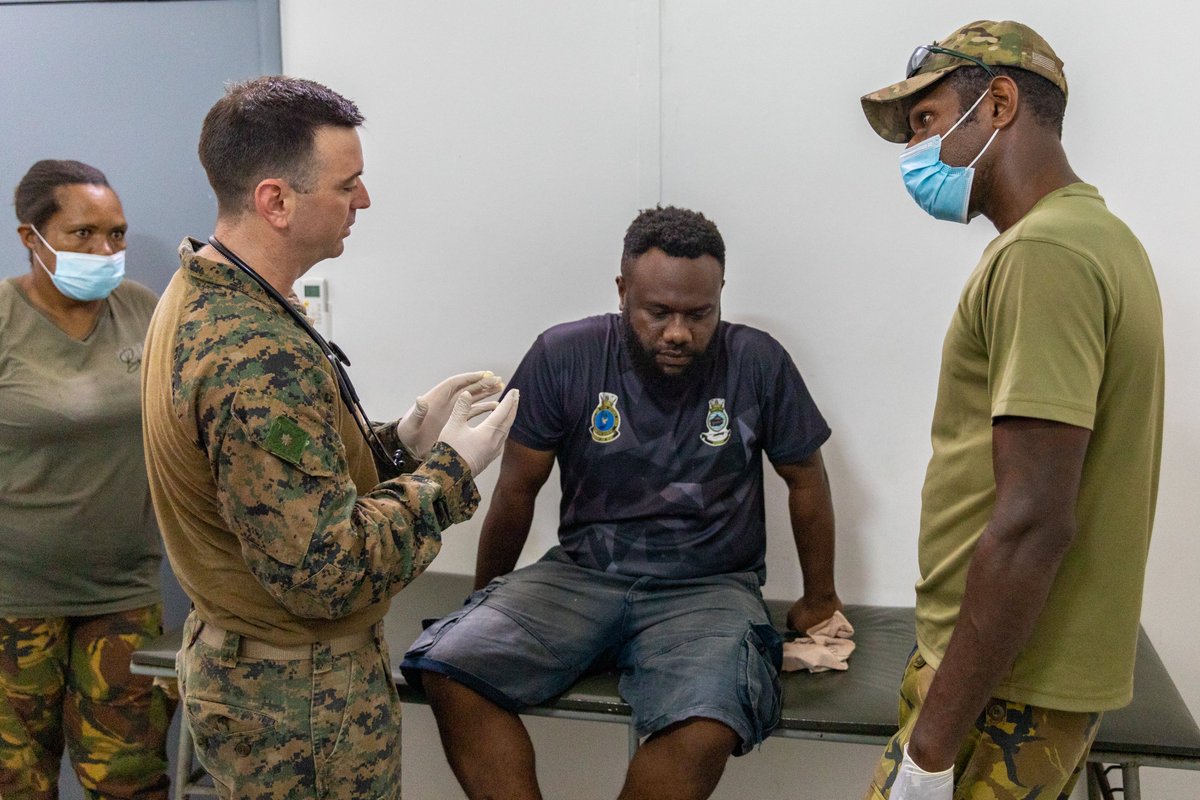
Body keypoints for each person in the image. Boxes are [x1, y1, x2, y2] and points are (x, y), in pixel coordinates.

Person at [140, 76, 519, 800]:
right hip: (298, 705)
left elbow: (280, 484)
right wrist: (452, 471)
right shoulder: (251, 354)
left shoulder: (210, 291)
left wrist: (401, 444)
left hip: (271, 680)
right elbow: (327, 571)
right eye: (348, 185)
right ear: (276, 200)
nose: (364, 202)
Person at [401, 205, 842, 800]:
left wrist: (820, 598)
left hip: (708, 586)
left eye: (699, 313)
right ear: (622, 291)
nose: (679, 332)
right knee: (450, 669)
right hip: (581, 576)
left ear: (720, 296)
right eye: (658, 312)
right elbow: (516, 490)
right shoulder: (565, 356)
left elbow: (807, 481)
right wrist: (486, 594)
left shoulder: (758, 362)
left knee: (710, 716)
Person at [858, 20, 1163, 800]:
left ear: (997, 104)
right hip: (1011, 676)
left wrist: (930, 750)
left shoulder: (1045, 256)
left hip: (1003, 688)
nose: (914, 153)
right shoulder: (1095, 237)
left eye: (925, 123)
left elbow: (1034, 521)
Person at [0, 160, 173, 799]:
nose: (105, 250)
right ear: (31, 237)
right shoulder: (3, 319)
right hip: (14, 600)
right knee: (16, 784)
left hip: (122, 592)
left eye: (117, 233)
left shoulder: (142, 311)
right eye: (83, 234)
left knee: (129, 780)